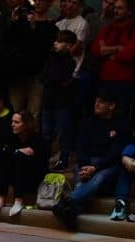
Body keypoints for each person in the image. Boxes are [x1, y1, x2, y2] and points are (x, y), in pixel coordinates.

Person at [52, 92, 125, 230]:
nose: (96, 104)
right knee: (82, 180)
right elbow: (80, 147)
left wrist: (95, 168)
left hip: (107, 165)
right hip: (86, 162)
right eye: (96, 101)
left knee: (96, 179)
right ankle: (71, 212)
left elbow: (116, 152)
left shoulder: (121, 123)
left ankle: (66, 202)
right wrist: (86, 165)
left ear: (111, 105)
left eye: (101, 101)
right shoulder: (87, 122)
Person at [89, 0, 135, 127]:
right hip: (105, 79)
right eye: (115, 7)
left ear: (129, 11)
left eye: (120, 8)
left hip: (124, 81)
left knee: (120, 117)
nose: (115, 10)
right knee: (101, 115)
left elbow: (130, 54)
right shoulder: (108, 29)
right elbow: (95, 49)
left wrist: (107, 51)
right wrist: (117, 48)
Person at [0, 110, 48, 216]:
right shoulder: (13, 137)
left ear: (26, 125)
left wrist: (16, 152)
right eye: (12, 122)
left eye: (16, 122)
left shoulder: (38, 139)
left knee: (19, 157)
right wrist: (17, 151)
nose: (12, 124)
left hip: (34, 178)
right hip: (16, 176)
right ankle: (1, 199)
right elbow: (4, 150)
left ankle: (18, 200)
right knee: (7, 157)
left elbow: (37, 162)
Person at [40, 29, 78, 170]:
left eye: (60, 41)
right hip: (48, 101)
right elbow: (43, 77)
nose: (56, 43)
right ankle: (44, 159)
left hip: (62, 103)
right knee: (46, 133)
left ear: (68, 45)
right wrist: (52, 79)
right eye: (56, 40)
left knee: (63, 133)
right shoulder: (50, 57)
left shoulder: (70, 62)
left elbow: (59, 77)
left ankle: (63, 160)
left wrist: (52, 79)